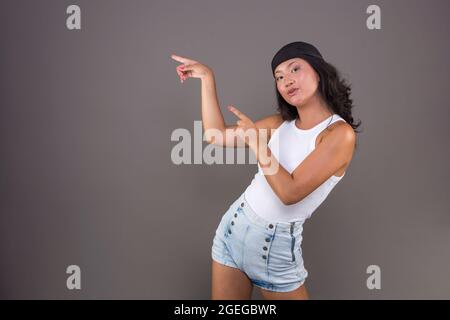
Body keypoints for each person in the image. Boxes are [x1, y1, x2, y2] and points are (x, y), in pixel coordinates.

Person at [171, 41, 360, 300]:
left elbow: (289, 192)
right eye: (279, 77)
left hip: (274, 247)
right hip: (232, 231)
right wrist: (207, 77)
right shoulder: (280, 124)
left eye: (295, 69)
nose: (287, 81)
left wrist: (258, 145)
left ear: (318, 71)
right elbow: (216, 135)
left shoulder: (339, 134)